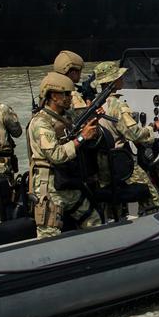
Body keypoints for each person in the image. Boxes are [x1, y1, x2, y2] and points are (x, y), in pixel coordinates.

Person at [27, 71, 102, 239]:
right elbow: (56, 154)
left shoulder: (66, 117)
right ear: (53, 96)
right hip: (49, 188)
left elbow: (80, 125)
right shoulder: (41, 122)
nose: (70, 97)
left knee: (93, 220)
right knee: (49, 236)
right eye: (66, 94)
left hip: (67, 182)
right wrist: (82, 137)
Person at [92, 60, 159, 215]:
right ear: (113, 81)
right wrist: (152, 128)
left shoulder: (95, 104)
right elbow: (135, 134)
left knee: (112, 200)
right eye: (119, 77)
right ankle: (152, 225)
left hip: (102, 162)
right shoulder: (118, 106)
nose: (122, 79)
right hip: (120, 162)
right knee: (151, 195)